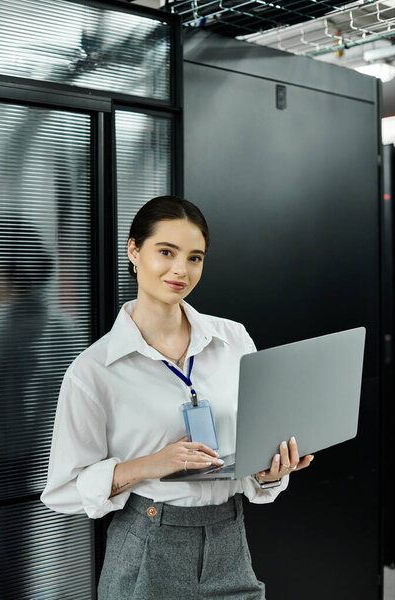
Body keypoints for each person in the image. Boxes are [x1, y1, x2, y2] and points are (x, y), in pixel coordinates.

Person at [40, 195, 314, 599]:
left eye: (195, 257)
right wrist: (150, 465)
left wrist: (268, 473)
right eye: (165, 252)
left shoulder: (233, 339)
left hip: (229, 538)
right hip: (148, 540)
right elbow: (63, 490)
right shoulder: (94, 370)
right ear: (134, 250)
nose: (180, 270)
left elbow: (253, 447)